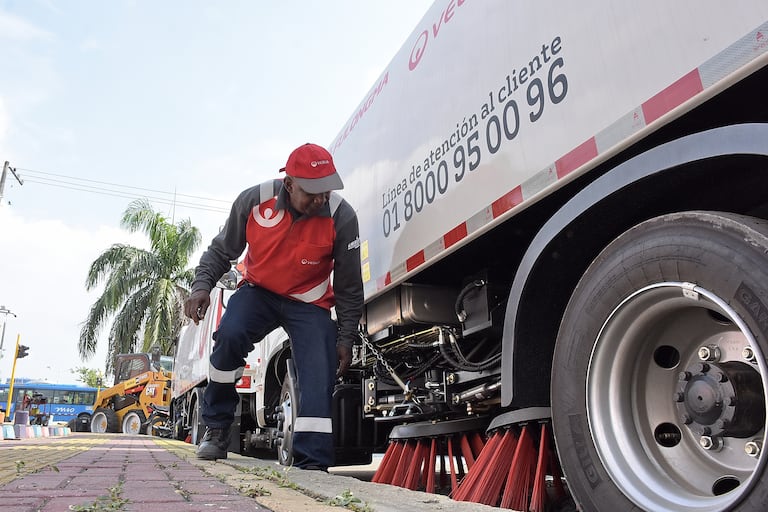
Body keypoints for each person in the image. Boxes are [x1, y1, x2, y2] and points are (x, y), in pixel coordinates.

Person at [184, 142, 364, 469]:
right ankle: (217, 428)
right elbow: (222, 252)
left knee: (319, 370)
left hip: (309, 304)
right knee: (229, 338)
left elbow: (350, 287)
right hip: (259, 292)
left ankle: (313, 464)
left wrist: (345, 337)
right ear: (289, 183)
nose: (322, 198)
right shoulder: (254, 201)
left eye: (327, 189)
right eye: (313, 192)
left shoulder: (342, 217)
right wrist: (202, 286)